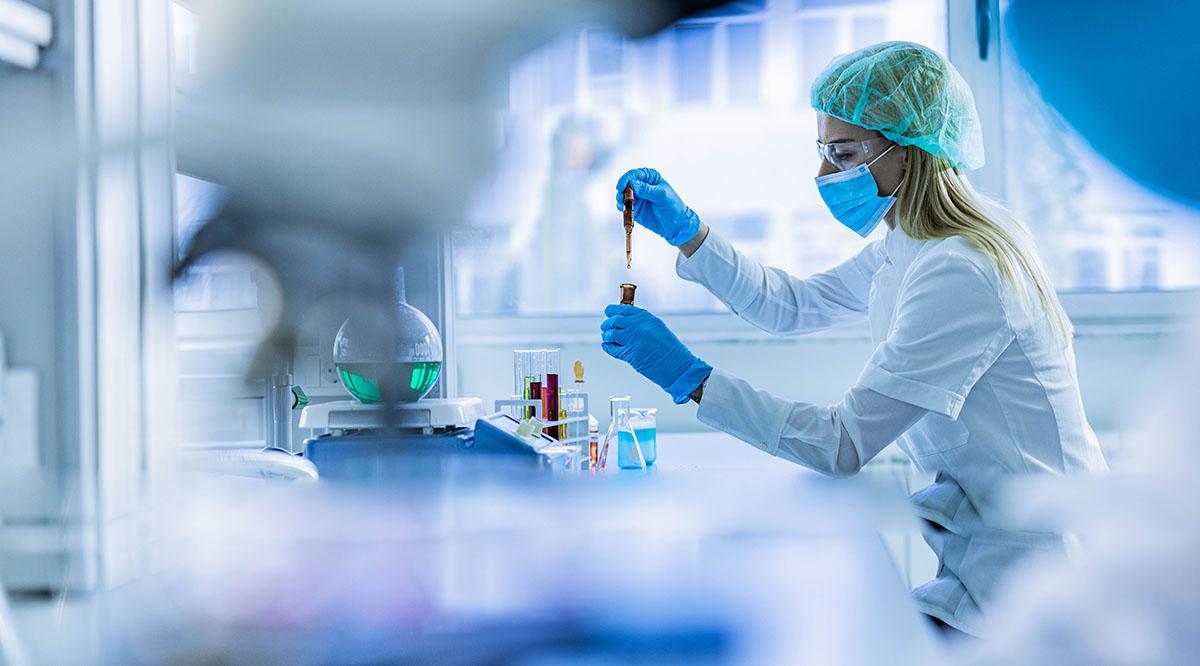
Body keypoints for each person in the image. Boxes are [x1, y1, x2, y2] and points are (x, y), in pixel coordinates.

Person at [599, 41, 1108, 639]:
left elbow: (841, 445)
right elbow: (792, 306)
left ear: (911, 152)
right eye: (823, 152)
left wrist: (691, 379)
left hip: (1037, 586)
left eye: (842, 155)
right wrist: (690, 234)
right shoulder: (915, 242)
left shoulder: (962, 266)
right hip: (987, 567)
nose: (822, 175)